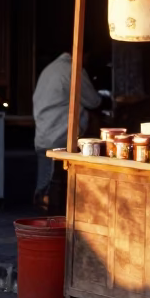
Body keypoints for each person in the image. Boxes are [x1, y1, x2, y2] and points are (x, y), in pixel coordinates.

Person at [32, 49, 103, 206]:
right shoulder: (73, 69)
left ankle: (44, 207)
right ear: (84, 55)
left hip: (44, 132)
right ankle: (50, 213)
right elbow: (93, 101)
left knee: (44, 180)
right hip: (59, 134)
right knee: (52, 185)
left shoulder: (50, 69)